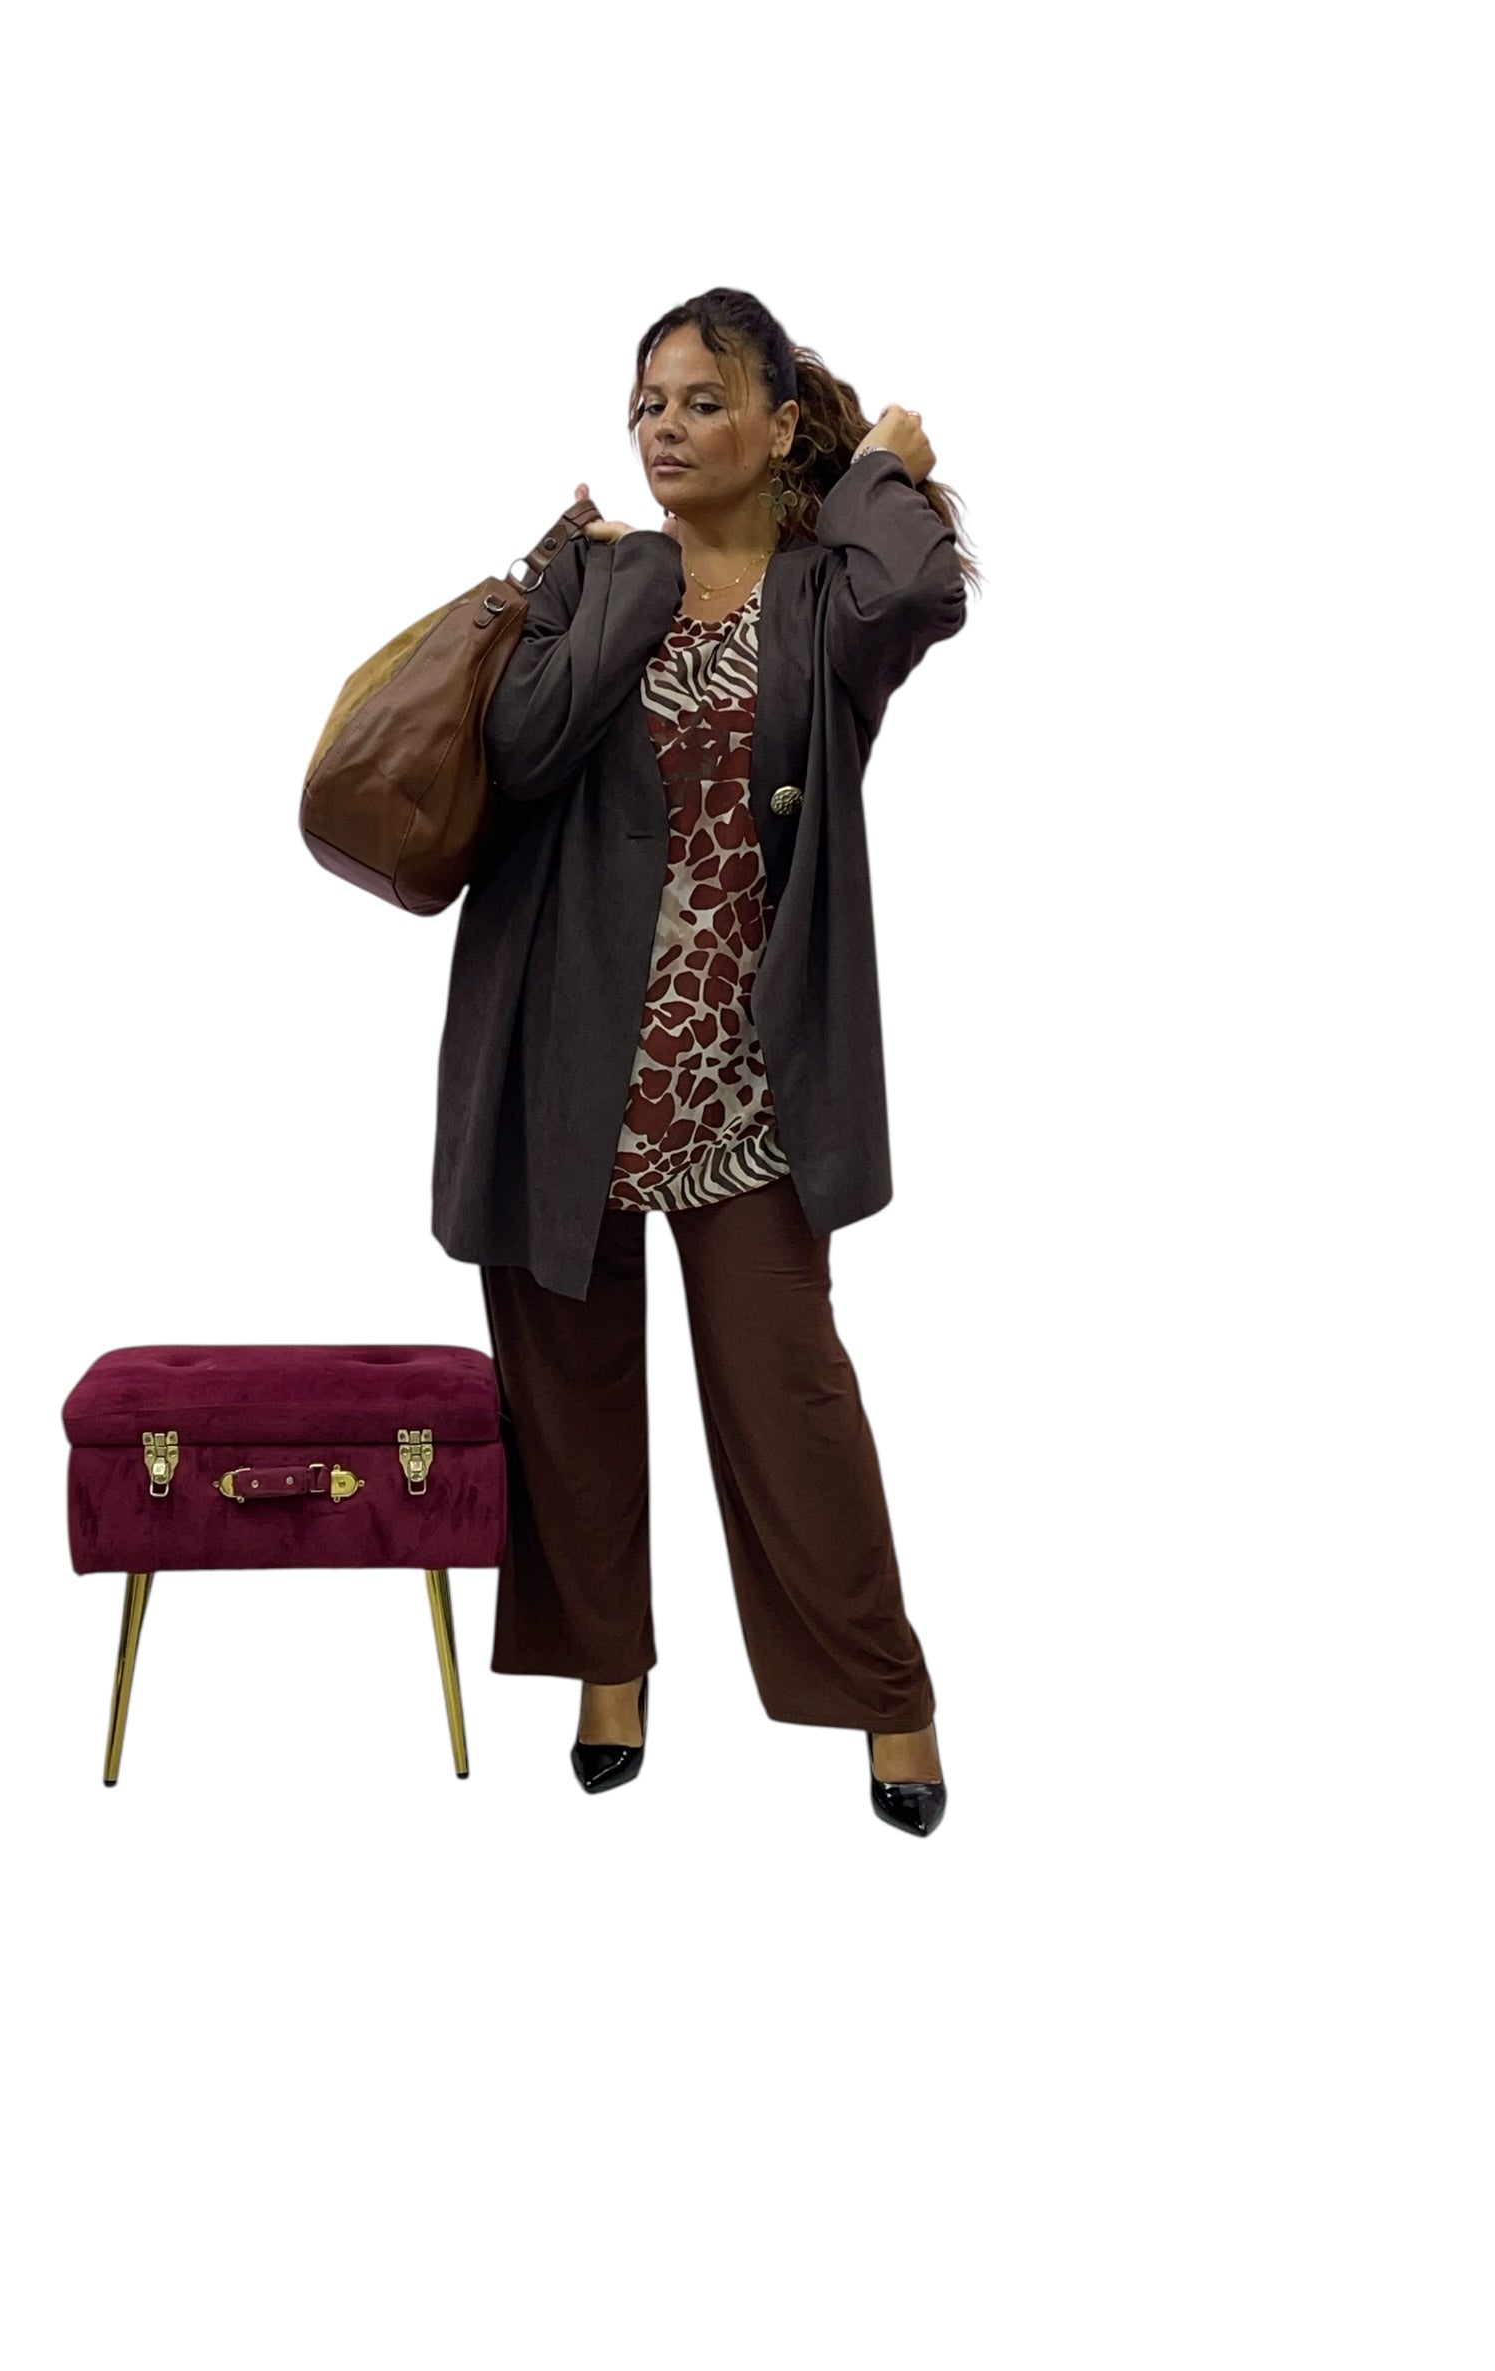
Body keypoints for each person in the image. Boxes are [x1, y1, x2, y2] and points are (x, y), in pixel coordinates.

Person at [431, 287, 978, 1832]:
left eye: (701, 402)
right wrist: (628, 579)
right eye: (647, 404)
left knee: (790, 1394)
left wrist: (881, 466)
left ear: (780, 423)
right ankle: (606, 1670)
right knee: (566, 1394)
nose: (663, 431)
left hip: (752, 1082)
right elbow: (525, 743)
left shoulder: (825, 600)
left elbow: (922, 588)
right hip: (564, 1057)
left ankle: (886, 1690)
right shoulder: (595, 570)